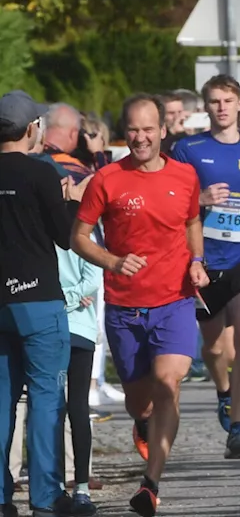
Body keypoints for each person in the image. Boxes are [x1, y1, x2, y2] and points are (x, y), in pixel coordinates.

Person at [72, 93, 209, 517]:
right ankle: (144, 422)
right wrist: (113, 261)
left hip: (174, 301)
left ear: (163, 131)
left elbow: (191, 222)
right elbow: (79, 236)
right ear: (123, 132)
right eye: (133, 129)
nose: (141, 137)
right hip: (125, 307)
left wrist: (198, 261)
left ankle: (150, 484)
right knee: (140, 403)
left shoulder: (185, 176)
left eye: (149, 129)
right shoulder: (107, 179)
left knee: (169, 383)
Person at [170, 76, 240, 457]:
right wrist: (199, 199)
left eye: (228, 101)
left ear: (238, 104)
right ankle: (224, 392)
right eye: (214, 101)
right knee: (216, 348)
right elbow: (174, 196)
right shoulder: (188, 148)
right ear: (206, 107)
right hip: (202, 260)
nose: (222, 107)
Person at [0, 91, 85, 517]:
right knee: (47, 399)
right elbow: (64, 236)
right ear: (33, 128)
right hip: (38, 299)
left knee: (0, 400)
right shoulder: (41, 174)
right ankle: (47, 496)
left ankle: (0, 497)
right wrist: (70, 200)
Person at [59, 228, 103, 516]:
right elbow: (88, 283)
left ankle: (79, 487)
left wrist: (61, 298)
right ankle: (69, 489)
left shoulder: (81, 234)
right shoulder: (81, 234)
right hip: (58, 328)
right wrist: (73, 297)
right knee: (57, 410)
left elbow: (94, 280)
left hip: (71, 329)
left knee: (74, 408)